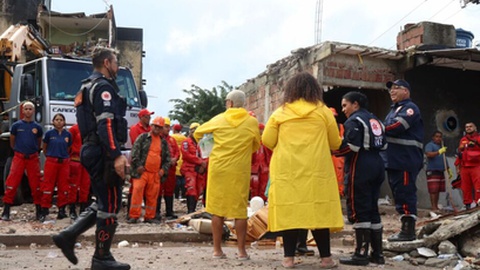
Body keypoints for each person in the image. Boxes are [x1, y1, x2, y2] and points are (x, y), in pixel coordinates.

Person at [52, 47, 130, 270]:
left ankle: (69, 235)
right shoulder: (103, 86)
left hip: (91, 149)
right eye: (115, 62)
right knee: (111, 204)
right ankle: (101, 258)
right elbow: (105, 124)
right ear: (107, 63)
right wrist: (116, 155)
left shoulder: (86, 86)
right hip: (102, 151)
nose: (117, 67)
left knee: (105, 201)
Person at [262, 72, 343, 269]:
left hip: (287, 172)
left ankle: (288, 259)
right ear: (314, 89)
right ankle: (326, 259)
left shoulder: (280, 113)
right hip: (317, 172)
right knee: (319, 213)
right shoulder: (323, 112)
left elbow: (267, 141)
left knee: (290, 212)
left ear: (290, 90)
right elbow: (335, 143)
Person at [194, 89, 260, 260]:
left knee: (217, 210)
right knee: (239, 211)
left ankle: (217, 251)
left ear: (229, 103)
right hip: (239, 170)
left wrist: (210, 144)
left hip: (219, 170)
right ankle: (242, 252)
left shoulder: (219, 119)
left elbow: (197, 132)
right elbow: (256, 144)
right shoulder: (251, 122)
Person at [334, 91, 387, 266]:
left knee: (359, 208)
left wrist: (331, 149)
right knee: (372, 208)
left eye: (345, 105)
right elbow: (384, 144)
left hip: (361, 165)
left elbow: (351, 147)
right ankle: (377, 254)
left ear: (355, 104)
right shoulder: (376, 120)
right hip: (378, 164)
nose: (343, 110)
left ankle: (361, 254)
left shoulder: (354, 121)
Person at [383, 79, 424, 242]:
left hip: (406, 159)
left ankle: (408, 231)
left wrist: (377, 127)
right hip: (394, 159)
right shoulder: (394, 110)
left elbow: (396, 128)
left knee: (406, 193)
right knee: (399, 193)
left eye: (396, 88)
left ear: (406, 91)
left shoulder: (410, 108)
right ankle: (405, 229)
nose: (392, 91)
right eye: (390, 89)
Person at [1, 101, 43, 221]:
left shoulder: (37, 127)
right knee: (11, 184)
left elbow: (39, 142)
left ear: (33, 111)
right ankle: (6, 211)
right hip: (19, 158)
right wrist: (18, 151)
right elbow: (12, 142)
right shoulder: (16, 126)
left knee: (36, 185)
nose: (28, 111)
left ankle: (39, 212)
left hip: (33, 159)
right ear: (22, 111)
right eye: (26, 109)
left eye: (30, 109)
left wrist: (33, 150)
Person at [127, 116, 170, 224]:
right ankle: (133, 215)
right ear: (151, 126)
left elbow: (167, 159)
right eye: (155, 126)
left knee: (152, 196)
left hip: (155, 174)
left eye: (159, 127)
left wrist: (163, 170)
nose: (157, 129)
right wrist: (138, 166)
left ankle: (150, 216)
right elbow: (135, 152)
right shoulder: (142, 138)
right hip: (142, 172)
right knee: (137, 193)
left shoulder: (163, 143)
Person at [40, 113, 72, 222]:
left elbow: (69, 148)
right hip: (51, 162)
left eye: (61, 120)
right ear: (53, 122)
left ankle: (62, 210)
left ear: (64, 122)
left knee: (64, 187)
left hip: (64, 163)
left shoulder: (68, 135)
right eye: (56, 119)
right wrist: (51, 156)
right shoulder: (49, 134)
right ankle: (44, 210)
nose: (59, 121)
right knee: (48, 186)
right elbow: (44, 148)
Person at [180, 122, 207, 213]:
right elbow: (187, 155)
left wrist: (204, 165)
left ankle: (193, 210)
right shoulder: (186, 142)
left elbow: (206, 155)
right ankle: (190, 211)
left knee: (199, 190)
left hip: (199, 170)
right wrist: (200, 162)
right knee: (191, 189)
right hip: (190, 169)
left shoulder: (201, 143)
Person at [156, 117, 179, 220]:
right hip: (160, 169)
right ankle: (156, 212)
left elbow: (177, 152)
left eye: (169, 127)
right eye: (166, 127)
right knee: (158, 190)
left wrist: (175, 159)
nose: (168, 129)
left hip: (171, 170)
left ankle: (169, 211)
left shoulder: (172, 140)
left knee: (170, 191)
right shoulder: (157, 139)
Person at [68, 124, 92, 219]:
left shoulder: (91, 128)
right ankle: (72, 210)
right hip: (75, 160)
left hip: (86, 162)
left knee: (85, 186)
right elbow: (68, 145)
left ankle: (83, 209)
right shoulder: (73, 129)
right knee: (73, 186)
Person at [425, 131, 451, 212]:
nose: (438, 138)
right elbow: (429, 154)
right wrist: (438, 152)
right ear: (433, 137)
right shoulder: (430, 145)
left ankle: (436, 206)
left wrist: (448, 168)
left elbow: (443, 158)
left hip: (440, 171)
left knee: (438, 190)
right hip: (432, 170)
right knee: (433, 190)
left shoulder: (441, 146)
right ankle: (433, 207)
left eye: (440, 137)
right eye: (437, 136)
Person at [457, 122, 480, 209]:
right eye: (466, 127)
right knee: (465, 187)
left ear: (475, 128)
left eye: (470, 126)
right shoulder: (463, 139)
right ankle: (467, 205)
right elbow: (460, 154)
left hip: (476, 166)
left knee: (478, 186)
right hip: (465, 166)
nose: (468, 128)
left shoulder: (478, 138)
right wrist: (458, 167)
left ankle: (478, 203)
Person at [250, 123, 271, 201]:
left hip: (262, 167)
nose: (261, 131)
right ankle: (255, 200)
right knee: (254, 185)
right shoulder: (255, 140)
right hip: (256, 167)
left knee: (262, 185)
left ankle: (261, 200)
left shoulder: (264, 141)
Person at [330, 107, 346, 197]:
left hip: (338, 155)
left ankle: (340, 193)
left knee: (340, 175)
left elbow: (342, 140)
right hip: (329, 155)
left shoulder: (340, 126)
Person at [171, 123, 187, 199]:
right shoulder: (184, 138)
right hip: (183, 158)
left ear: (174, 130)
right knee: (183, 179)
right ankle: (183, 194)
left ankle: (176, 195)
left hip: (175, 158)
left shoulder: (171, 137)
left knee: (176, 180)